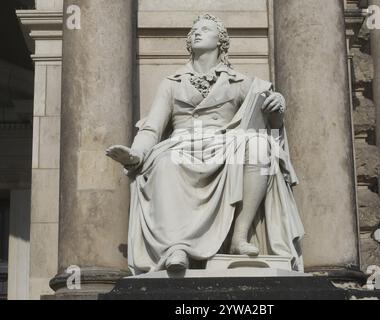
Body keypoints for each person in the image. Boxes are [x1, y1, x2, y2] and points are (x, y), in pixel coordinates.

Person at [106, 14, 304, 274]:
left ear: (221, 41)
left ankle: (239, 238)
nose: (196, 33)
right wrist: (135, 154)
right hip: (180, 144)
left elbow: (271, 123)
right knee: (164, 162)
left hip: (224, 143)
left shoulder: (240, 82)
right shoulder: (171, 83)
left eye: (205, 29)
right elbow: (152, 128)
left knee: (259, 147)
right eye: (194, 30)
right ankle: (176, 247)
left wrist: (276, 105)